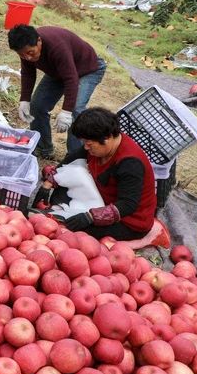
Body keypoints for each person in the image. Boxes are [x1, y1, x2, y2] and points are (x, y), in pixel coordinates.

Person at [42, 108, 158, 241]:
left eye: (89, 144)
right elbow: (70, 160)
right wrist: (49, 182)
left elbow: (127, 205)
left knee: (70, 230)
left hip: (129, 222)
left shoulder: (130, 163)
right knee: (61, 191)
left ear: (107, 138)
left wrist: (91, 217)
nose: (85, 147)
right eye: (84, 143)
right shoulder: (98, 145)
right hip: (101, 200)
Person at [8, 24, 107, 158]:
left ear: (39, 41)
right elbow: (28, 73)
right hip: (59, 71)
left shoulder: (57, 46)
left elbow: (71, 79)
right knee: (38, 106)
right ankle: (43, 148)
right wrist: (25, 100)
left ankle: (74, 157)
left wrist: (66, 111)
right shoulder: (25, 48)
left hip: (87, 69)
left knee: (76, 109)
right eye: (22, 55)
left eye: (31, 52)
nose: (28, 58)